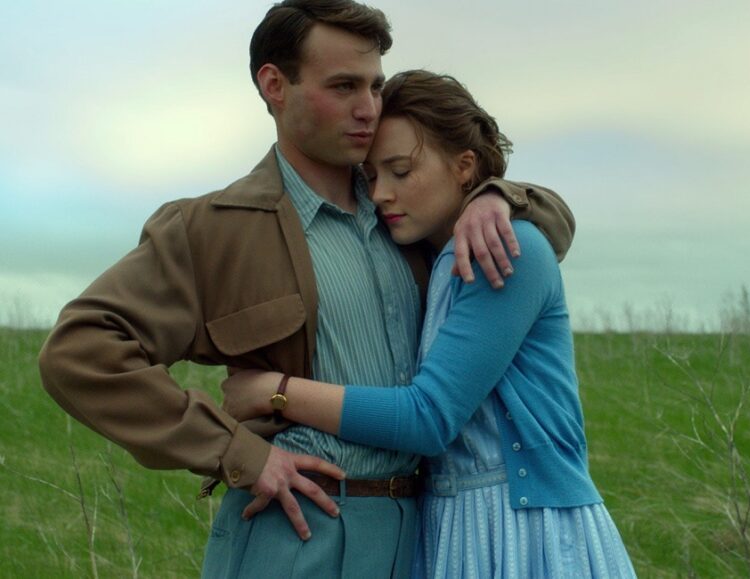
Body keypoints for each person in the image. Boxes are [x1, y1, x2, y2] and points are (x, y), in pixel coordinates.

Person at [37, 1, 574, 578]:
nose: (368, 108)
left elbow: (537, 228)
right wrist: (238, 453)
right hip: (293, 534)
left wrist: (497, 195)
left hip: (419, 540)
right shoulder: (214, 229)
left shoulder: (407, 212)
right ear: (275, 85)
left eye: (374, 85)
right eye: (343, 86)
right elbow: (81, 351)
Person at [222, 69, 636, 578]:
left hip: (526, 527)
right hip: (447, 528)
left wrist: (275, 390)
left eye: (401, 171)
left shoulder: (507, 247)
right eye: (372, 177)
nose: (381, 194)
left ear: (465, 166)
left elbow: (429, 418)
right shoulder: (425, 256)